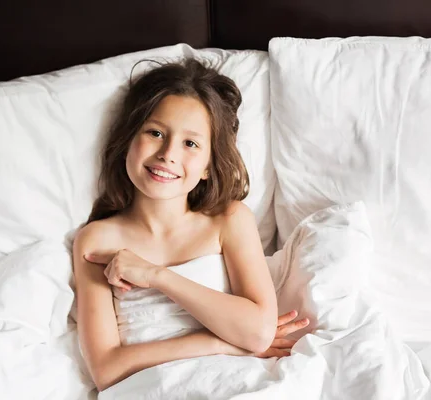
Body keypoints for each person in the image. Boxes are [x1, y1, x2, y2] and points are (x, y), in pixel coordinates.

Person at [72, 59, 309, 392]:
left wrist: (157, 276)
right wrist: (222, 343)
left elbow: (258, 332)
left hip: (234, 384)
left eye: (190, 144)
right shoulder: (97, 240)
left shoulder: (229, 221)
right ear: (128, 140)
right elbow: (107, 370)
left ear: (208, 167)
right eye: (155, 133)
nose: (168, 153)